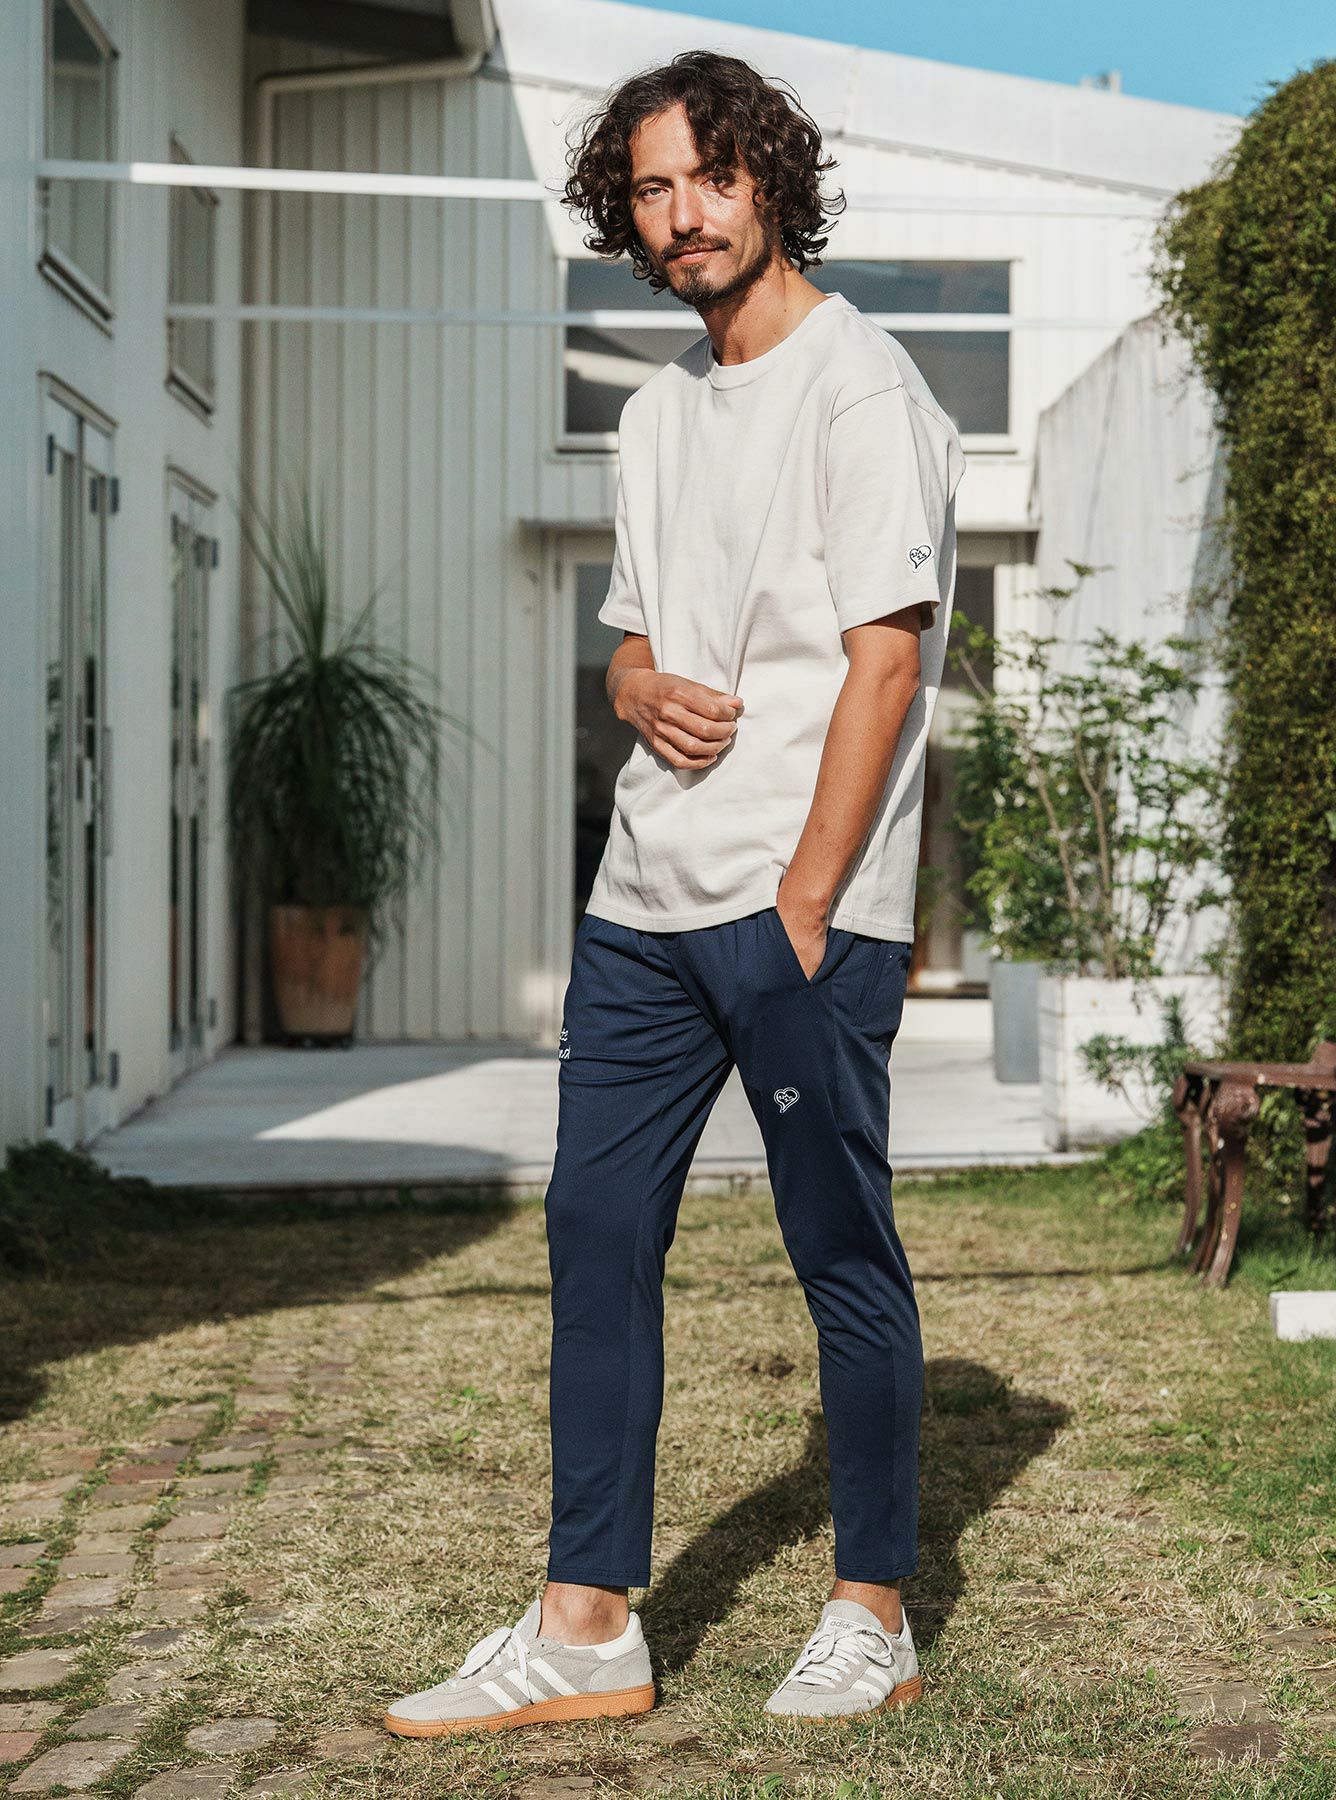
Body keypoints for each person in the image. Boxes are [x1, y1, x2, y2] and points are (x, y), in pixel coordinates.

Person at [386, 45, 966, 1738]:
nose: (684, 213)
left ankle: (872, 1607)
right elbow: (635, 644)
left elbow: (885, 667)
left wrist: (806, 905)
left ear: (771, 180)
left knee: (836, 1247)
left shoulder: (866, 391)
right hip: (640, 902)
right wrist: (637, 690)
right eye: (651, 188)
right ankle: (587, 1628)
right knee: (594, 1233)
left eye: (712, 176)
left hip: (798, 908)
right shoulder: (651, 415)